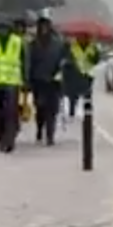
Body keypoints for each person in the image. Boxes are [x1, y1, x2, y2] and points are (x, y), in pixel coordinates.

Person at [0, 17, 29, 153]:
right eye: (0, 28)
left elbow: (25, 61)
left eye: (5, 28)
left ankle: (9, 140)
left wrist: (26, 80)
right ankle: (0, 135)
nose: (2, 31)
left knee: (10, 112)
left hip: (12, 83)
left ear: (10, 29)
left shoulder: (18, 42)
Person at [28, 17, 71, 146]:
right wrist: (28, 81)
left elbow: (66, 59)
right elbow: (29, 63)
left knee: (52, 110)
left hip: (54, 82)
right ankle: (40, 129)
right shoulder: (33, 44)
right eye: (41, 27)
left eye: (46, 27)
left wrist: (65, 59)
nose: (44, 30)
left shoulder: (58, 44)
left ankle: (50, 135)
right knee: (40, 108)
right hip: (38, 81)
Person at [63, 30, 101, 119]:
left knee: (87, 94)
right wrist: (70, 63)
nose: (81, 38)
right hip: (75, 74)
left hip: (88, 74)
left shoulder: (93, 47)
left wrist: (93, 58)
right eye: (80, 37)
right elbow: (68, 58)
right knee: (73, 94)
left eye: (84, 37)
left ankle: (88, 112)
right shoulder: (72, 47)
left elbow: (97, 60)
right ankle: (72, 111)